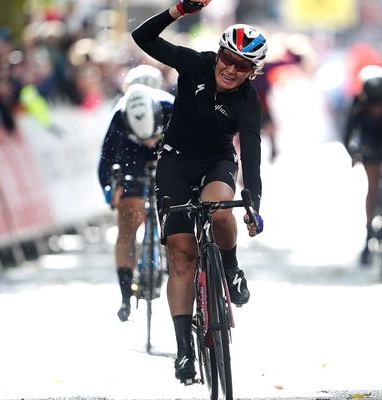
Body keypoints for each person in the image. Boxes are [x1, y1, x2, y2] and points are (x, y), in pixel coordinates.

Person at [131, 0, 264, 383]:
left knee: (221, 211)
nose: (231, 68)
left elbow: (251, 153)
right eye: (227, 58)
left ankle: (232, 266)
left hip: (216, 161)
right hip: (175, 160)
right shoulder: (196, 64)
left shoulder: (248, 100)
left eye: (242, 65)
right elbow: (142, 37)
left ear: (252, 72)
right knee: (181, 254)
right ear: (218, 53)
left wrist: (253, 202)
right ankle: (184, 350)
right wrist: (177, 11)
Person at [98, 65, 174, 322]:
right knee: (128, 220)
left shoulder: (169, 106)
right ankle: (125, 295)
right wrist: (110, 188)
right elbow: (107, 158)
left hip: (168, 152)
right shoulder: (120, 113)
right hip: (132, 159)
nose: (149, 141)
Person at [343, 65, 382, 266]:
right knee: (372, 187)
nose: (376, 109)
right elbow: (347, 132)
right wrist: (353, 152)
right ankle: (368, 236)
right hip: (370, 147)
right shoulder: (358, 102)